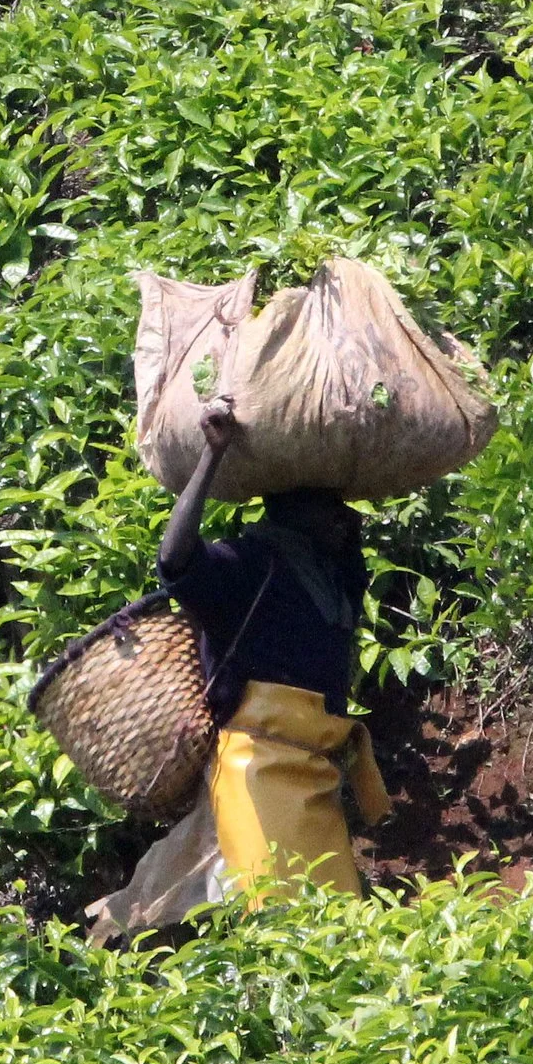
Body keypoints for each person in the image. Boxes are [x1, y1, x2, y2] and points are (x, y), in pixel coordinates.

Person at [87, 395, 392, 940]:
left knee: (338, 926)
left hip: (316, 772)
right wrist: (211, 456)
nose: (343, 517)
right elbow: (174, 560)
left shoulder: (336, 572)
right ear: (291, 513)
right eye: (328, 507)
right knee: (276, 918)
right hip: (256, 767)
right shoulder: (244, 565)